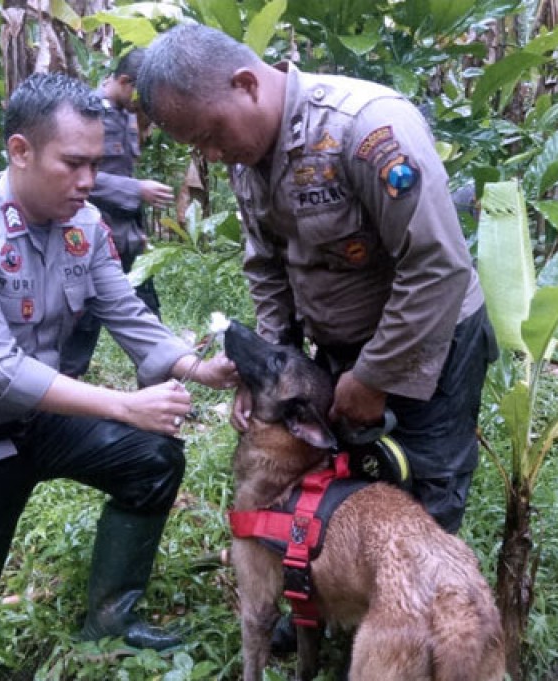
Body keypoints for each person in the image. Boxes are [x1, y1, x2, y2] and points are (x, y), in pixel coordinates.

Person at [0, 72, 235, 680]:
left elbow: (127, 314)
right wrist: (125, 405)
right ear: (20, 151)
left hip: (40, 419)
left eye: (96, 165)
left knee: (152, 460)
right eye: (73, 163)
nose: (88, 183)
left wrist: (196, 367)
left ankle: (110, 621)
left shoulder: (86, 226)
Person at [137, 24, 497, 536]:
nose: (212, 156)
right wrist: (266, 370)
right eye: (200, 147)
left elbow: (436, 266)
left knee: (423, 493)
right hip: (339, 347)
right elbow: (266, 266)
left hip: (429, 343)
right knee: (340, 486)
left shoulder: (368, 129)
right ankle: (337, 606)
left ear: (246, 84)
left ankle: (416, 608)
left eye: (211, 136)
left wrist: (376, 376)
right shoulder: (248, 156)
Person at [60, 48, 174, 378]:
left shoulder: (124, 113)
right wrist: (136, 190)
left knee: (147, 312)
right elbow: (79, 179)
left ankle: (160, 388)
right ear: (125, 82)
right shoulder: (87, 114)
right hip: (92, 235)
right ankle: (64, 392)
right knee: (85, 318)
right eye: (142, 98)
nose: (145, 110)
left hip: (126, 235)